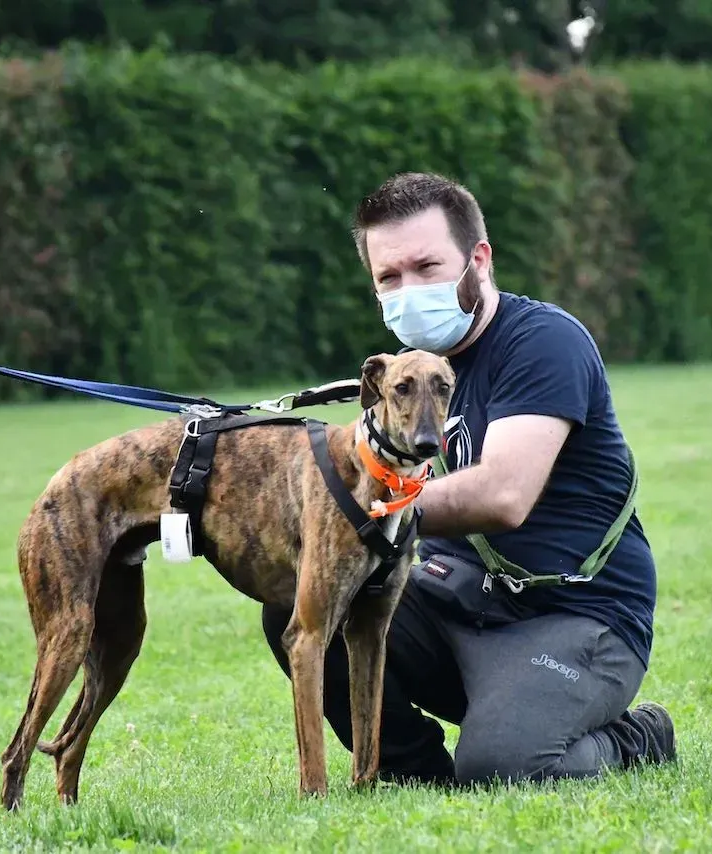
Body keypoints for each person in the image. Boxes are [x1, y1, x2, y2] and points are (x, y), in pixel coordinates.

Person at [261, 171, 676, 787]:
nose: (408, 291)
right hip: (456, 596)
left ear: (478, 259)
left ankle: (635, 737)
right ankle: (412, 770)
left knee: (505, 766)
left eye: (427, 268)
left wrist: (367, 510)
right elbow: (344, 476)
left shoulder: (543, 343)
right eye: (389, 278)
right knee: (298, 604)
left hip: (574, 611)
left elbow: (504, 496)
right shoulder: (404, 374)